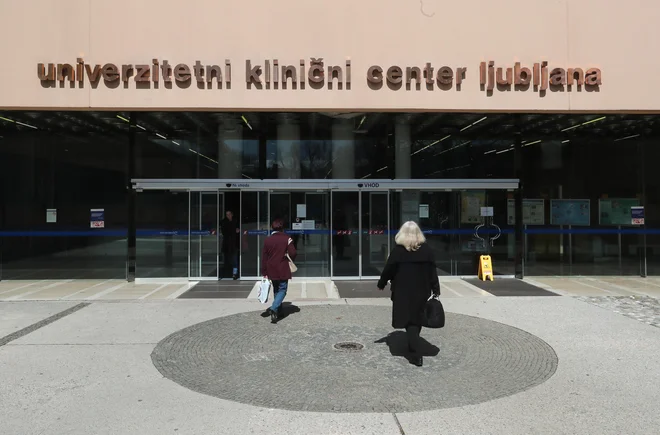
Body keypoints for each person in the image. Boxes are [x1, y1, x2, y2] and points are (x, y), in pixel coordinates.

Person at [377, 221, 440, 367]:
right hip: (422, 290)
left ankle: (415, 354)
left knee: (409, 320)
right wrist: (436, 289)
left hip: (403, 291)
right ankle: (413, 345)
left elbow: (388, 269)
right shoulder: (427, 251)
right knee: (416, 318)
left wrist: (382, 283)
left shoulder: (398, 251)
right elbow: (433, 272)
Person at [261, 219, 297, 323]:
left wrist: (264, 272)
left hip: (271, 268)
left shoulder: (268, 240)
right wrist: (289, 258)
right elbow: (293, 252)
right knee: (283, 289)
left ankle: (278, 312)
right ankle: (274, 308)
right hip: (282, 267)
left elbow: (264, 258)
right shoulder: (287, 238)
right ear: (282, 228)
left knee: (276, 289)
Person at [220, 210, 240, 280]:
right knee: (228, 259)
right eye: (227, 214)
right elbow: (224, 231)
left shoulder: (236, 221)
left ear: (232, 214)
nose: (228, 216)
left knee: (234, 259)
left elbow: (238, 230)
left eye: (229, 214)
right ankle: (226, 273)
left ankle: (235, 273)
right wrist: (233, 230)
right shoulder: (224, 222)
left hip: (234, 244)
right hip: (227, 244)